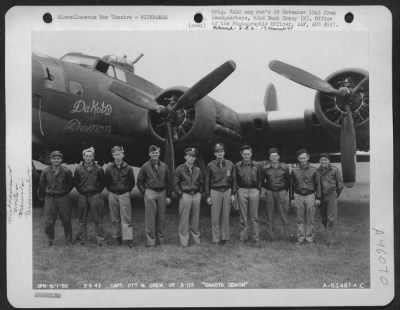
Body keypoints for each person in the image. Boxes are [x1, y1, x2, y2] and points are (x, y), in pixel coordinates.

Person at [38, 150, 74, 246]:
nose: (56, 160)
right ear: (51, 160)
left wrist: (64, 192)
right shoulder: (45, 172)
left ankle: (69, 240)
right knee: (49, 221)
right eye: (54, 158)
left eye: (58, 158)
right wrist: (42, 197)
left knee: (66, 220)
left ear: (61, 159)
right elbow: (41, 185)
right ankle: (50, 240)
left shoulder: (66, 171)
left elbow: (71, 184)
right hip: (50, 198)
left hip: (63, 197)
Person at [137, 145, 171, 247]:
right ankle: (151, 240)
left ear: (159, 154)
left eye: (156, 153)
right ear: (149, 154)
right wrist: (145, 192)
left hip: (162, 192)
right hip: (150, 191)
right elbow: (140, 182)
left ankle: (160, 239)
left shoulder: (164, 166)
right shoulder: (145, 166)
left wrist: (168, 195)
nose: (155, 155)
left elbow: (168, 181)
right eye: (153, 153)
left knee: (161, 217)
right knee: (150, 218)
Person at [74, 147, 106, 246]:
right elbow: (76, 182)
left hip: (95, 195)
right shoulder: (78, 169)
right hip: (82, 196)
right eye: (86, 156)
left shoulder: (99, 169)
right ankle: (83, 239)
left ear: (93, 157)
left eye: (90, 156)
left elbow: (102, 183)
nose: (88, 158)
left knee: (98, 218)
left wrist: (96, 191)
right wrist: (82, 191)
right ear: (83, 157)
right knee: (82, 219)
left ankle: (100, 239)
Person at [205, 143, 236, 245]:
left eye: (221, 151)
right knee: (215, 216)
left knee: (226, 215)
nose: (220, 153)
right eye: (218, 152)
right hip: (215, 190)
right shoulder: (210, 165)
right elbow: (207, 181)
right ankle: (215, 238)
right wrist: (208, 195)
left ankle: (224, 237)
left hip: (227, 190)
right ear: (214, 154)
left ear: (224, 152)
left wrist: (233, 193)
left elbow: (234, 180)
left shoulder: (230, 164)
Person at [105, 146, 135, 247]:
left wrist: (125, 191)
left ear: (123, 155)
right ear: (113, 156)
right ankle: (117, 237)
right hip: (113, 194)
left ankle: (128, 238)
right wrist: (112, 191)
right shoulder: (109, 169)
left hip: (124, 194)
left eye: (119, 154)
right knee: (114, 218)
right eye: (115, 155)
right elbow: (107, 182)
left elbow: (131, 183)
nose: (117, 157)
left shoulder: (128, 168)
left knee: (126, 218)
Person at [290, 148, 321, 244]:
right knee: (300, 219)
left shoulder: (314, 170)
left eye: (304, 158)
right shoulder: (294, 171)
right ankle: (300, 238)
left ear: (308, 157)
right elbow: (291, 185)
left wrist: (318, 197)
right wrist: (291, 198)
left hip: (310, 195)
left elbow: (318, 184)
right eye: (300, 158)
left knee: (310, 219)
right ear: (298, 159)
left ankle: (309, 238)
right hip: (298, 195)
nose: (302, 160)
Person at [174, 147, 203, 247]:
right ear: (185, 157)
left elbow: (201, 183)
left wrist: (200, 193)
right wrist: (180, 194)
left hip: (196, 195)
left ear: (195, 159)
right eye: (189, 156)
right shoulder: (179, 169)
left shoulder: (198, 170)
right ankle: (184, 240)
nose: (191, 158)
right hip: (185, 195)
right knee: (184, 219)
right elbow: (175, 183)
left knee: (196, 219)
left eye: (193, 156)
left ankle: (196, 238)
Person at [260, 147, 290, 240]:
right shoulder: (265, 168)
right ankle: (270, 235)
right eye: (272, 156)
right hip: (270, 192)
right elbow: (262, 180)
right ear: (269, 157)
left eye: (275, 156)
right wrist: (267, 187)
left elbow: (288, 180)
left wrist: (285, 189)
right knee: (270, 214)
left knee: (283, 213)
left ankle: (286, 235)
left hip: (281, 191)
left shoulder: (285, 167)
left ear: (278, 156)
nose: (274, 158)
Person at [234, 145, 262, 244]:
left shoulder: (257, 165)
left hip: (254, 190)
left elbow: (260, 178)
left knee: (254, 216)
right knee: (243, 216)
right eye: (244, 154)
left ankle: (255, 238)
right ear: (241, 154)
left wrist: (258, 189)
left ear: (251, 154)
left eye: (248, 154)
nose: (246, 156)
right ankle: (243, 237)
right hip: (242, 190)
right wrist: (237, 190)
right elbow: (235, 179)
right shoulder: (237, 165)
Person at [317, 153, 344, 246]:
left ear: (329, 161)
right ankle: (328, 235)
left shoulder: (335, 170)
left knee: (331, 217)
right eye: (321, 160)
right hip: (321, 195)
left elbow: (340, 185)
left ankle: (331, 240)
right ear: (319, 161)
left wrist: (336, 195)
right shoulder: (317, 171)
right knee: (324, 218)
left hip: (331, 194)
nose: (323, 161)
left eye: (325, 160)